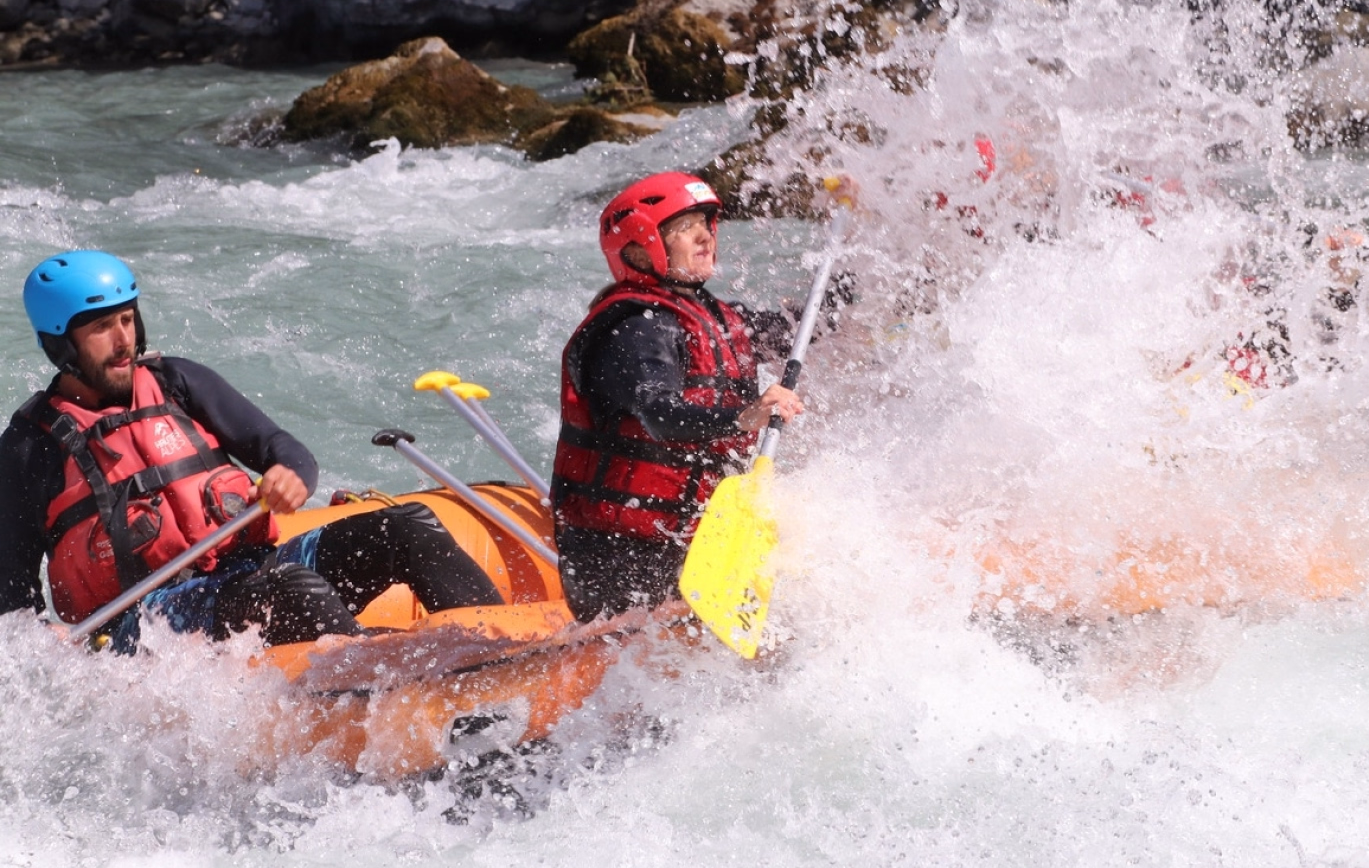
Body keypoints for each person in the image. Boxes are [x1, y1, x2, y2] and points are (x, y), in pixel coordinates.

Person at [0, 251, 504, 649]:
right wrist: (45, 642)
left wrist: (292, 474)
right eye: (101, 328)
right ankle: (386, 697)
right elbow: (10, 593)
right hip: (148, 620)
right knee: (291, 589)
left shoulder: (177, 381)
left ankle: (504, 648)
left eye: (128, 320)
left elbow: (283, 449)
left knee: (405, 526)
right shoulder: (30, 446)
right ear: (61, 345)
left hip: (252, 565)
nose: (123, 341)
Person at [551, 172, 805, 621]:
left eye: (706, 224)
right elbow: (659, 415)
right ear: (638, 247)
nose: (705, 236)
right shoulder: (634, 329)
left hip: (691, 543)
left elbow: (802, 326)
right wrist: (746, 416)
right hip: (621, 561)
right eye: (685, 228)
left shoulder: (714, 315)